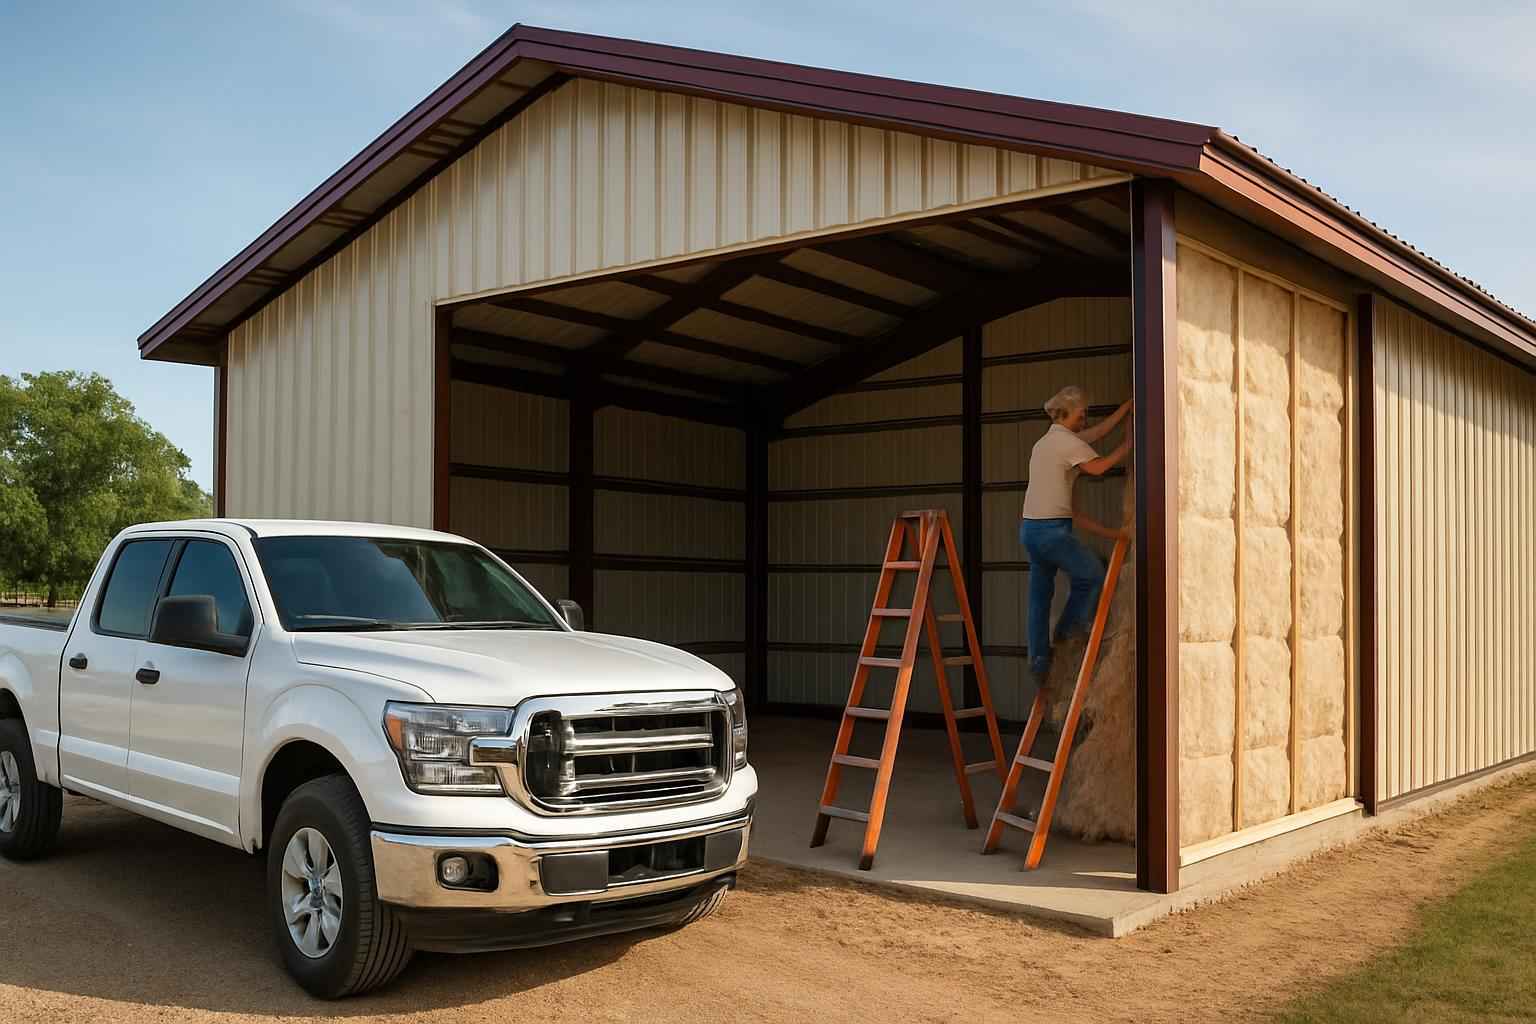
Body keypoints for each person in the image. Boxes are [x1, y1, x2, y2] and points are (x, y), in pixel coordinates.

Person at [1020, 386, 1132, 684]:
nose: (1085, 421)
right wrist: (1128, 445)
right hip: (1051, 532)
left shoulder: (1045, 443)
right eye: (1081, 415)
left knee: (1039, 597)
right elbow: (1098, 468)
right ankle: (1068, 633)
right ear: (1067, 414)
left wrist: (1123, 410)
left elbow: (1094, 434)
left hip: (1031, 530)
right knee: (1092, 575)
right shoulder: (1066, 445)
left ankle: (1039, 660)